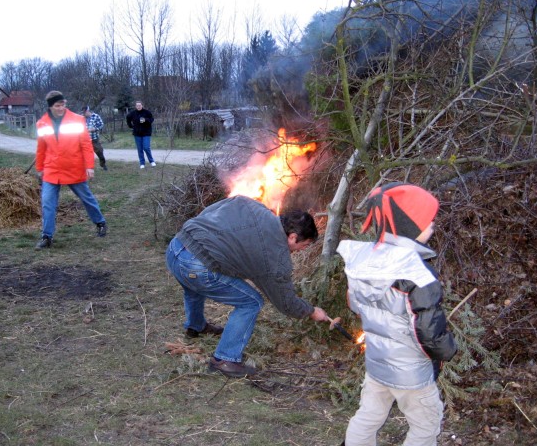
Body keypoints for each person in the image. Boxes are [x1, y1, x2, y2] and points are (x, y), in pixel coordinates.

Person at [336, 182, 458, 446]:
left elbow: (356, 305)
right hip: (411, 372)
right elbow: (427, 331)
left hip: (377, 363)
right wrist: (447, 350)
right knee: (426, 423)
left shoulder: (362, 259)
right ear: (411, 228)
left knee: (368, 416)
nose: (433, 226)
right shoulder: (417, 273)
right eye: (429, 221)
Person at [165, 195, 330, 378]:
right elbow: (286, 303)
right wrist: (311, 311)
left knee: (193, 284)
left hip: (176, 247)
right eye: (305, 245)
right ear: (293, 237)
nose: (303, 250)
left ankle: (195, 326)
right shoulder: (277, 259)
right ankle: (225, 359)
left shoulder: (250, 204)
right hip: (194, 268)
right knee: (251, 302)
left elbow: (211, 212)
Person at [35, 91, 107, 249]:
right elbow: (41, 148)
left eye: (63, 104)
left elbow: (86, 145)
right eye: (57, 105)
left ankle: (100, 222)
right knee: (47, 203)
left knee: (87, 198)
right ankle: (47, 236)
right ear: (51, 106)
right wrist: (40, 167)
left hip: (74, 167)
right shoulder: (42, 123)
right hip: (52, 170)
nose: (61, 108)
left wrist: (89, 166)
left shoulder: (77, 120)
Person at [126, 100, 156, 168]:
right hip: (137, 133)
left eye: (140, 105)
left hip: (146, 132)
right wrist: (131, 126)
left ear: (142, 105)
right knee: (140, 149)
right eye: (137, 106)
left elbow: (152, 119)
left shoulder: (147, 112)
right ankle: (142, 163)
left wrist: (145, 120)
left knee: (146, 147)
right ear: (135, 106)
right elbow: (128, 118)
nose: (138, 107)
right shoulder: (132, 113)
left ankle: (151, 161)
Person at [81, 106, 107, 171]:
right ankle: (86, 167)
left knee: (100, 151)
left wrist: (95, 129)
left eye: (85, 112)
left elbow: (101, 125)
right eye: (83, 113)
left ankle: (103, 164)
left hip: (94, 138)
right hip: (84, 139)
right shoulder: (81, 118)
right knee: (84, 154)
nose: (84, 114)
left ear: (88, 111)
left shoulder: (96, 116)